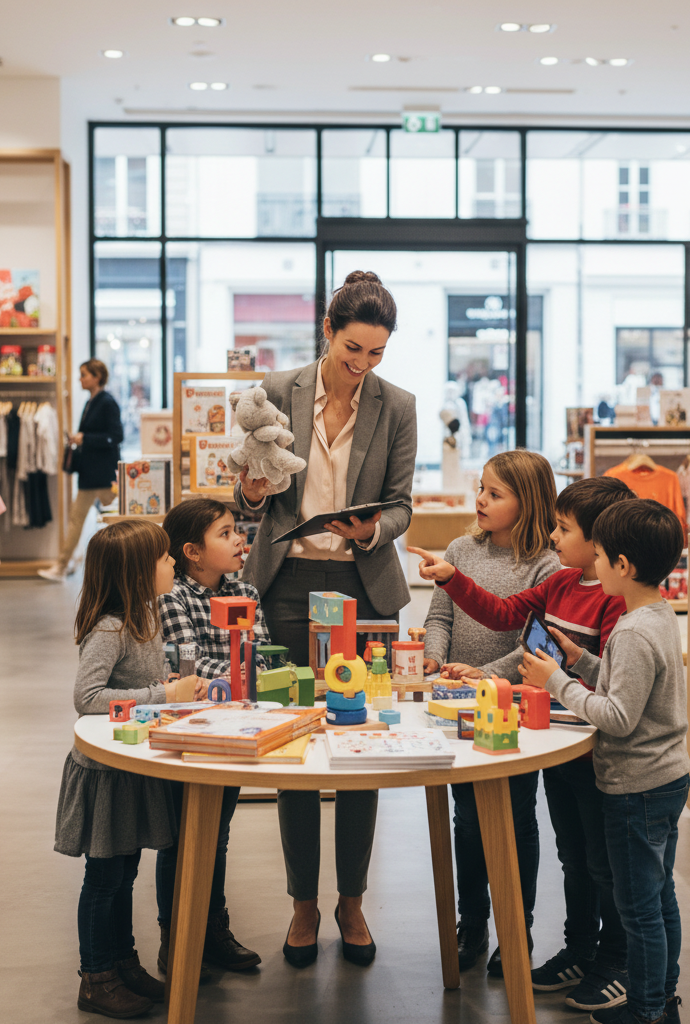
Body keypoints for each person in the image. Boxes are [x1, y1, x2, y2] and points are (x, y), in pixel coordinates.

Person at [233, 270, 416, 967]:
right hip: (285, 583)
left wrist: (370, 528)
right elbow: (250, 496)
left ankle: (353, 900)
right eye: (352, 351)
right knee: (293, 743)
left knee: (361, 745)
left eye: (375, 354)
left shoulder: (397, 406)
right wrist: (250, 491)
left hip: (364, 589)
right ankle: (303, 902)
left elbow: (401, 503)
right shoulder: (277, 392)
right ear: (327, 332)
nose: (363, 366)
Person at [411, 476, 633, 1010]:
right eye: (555, 526)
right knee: (573, 856)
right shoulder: (559, 585)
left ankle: (614, 959)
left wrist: (563, 668)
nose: (556, 538)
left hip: (590, 745)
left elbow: (609, 680)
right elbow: (504, 613)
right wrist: (451, 578)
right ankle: (579, 949)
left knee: (603, 863)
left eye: (565, 529)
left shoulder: (613, 601)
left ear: (600, 540)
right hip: (551, 735)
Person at [520, 499, 690, 1024]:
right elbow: (629, 686)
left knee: (640, 910)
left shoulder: (634, 632)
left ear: (624, 566)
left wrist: (556, 683)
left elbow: (616, 716)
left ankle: (644, 1012)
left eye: (598, 555)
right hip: (666, 778)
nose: (591, 565)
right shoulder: (655, 617)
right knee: (660, 898)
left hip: (634, 787)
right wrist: (581, 660)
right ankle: (663, 999)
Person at [53, 520, 205, 1019]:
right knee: (105, 879)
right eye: (164, 559)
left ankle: (124, 962)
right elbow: (88, 698)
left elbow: (138, 682)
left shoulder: (146, 616)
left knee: (125, 870)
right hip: (105, 774)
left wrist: (172, 688)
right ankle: (96, 978)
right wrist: (162, 695)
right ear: (138, 572)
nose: (172, 564)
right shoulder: (110, 628)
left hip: (130, 768)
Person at [422, 450, 562, 976]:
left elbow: (532, 639)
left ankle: (515, 927)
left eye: (494, 493)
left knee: (516, 817)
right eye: (481, 488)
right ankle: (473, 921)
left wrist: (490, 675)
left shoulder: (547, 564)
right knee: (466, 816)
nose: (480, 499)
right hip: (456, 703)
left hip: (513, 705)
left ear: (527, 503)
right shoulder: (461, 547)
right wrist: (435, 655)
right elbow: (440, 613)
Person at [156, 498, 271, 976]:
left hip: (235, 724)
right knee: (182, 835)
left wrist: (237, 674)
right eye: (225, 533)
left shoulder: (244, 589)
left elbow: (263, 655)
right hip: (189, 726)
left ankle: (212, 929)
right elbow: (183, 663)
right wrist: (240, 673)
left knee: (218, 831)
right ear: (192, 552)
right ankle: (176, 937)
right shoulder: (173, 595)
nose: (240, 539)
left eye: (238, 530)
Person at [40, 359, 123, 582]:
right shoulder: (93, 401)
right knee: (80, 519)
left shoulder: (106, 402)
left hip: (104, 474)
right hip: (92, 472)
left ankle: (65, 565)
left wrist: (84, 438)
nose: (80, 379)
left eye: (84, 374)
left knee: (118, 521)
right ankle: (63, 564)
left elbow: (116, 436)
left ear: (97, 377)